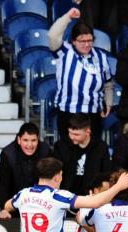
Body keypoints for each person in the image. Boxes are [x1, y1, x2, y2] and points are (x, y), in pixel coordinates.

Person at [49, 7, 114, 141]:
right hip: (69, 112)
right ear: (73, 41)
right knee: (69, 154)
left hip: (93, 114)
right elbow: (52, 35)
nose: (86, 45)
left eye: (90, 41)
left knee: (92, 154)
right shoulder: (65, 52)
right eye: (82, 41)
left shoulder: (100, 56)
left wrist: (108, 102)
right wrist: (68, 16)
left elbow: (108, 82)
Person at [0, 122, 53, 215]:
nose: (29, 145)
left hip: (41, 206)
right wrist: (4, 208)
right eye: (25, 140)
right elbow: (3, 184)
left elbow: (51, 180)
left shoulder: (46, 151)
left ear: (38, 139)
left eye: (33, 140)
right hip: (15, 206)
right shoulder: (8, 154)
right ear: (19, 140)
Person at [53, 113, 112, 196]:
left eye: (76, 134)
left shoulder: (100, 147)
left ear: (88, 132)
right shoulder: (61, 146)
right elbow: (55, 172)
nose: (72, 137)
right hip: (66, 194)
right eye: (70, 133)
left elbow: (106, 172)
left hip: (92, 194)